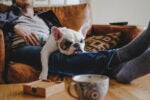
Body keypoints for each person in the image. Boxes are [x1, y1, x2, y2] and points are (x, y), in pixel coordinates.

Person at [1, 0, 150, 84]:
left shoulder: (45, 15)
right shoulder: (6, 13)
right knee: (55, 58)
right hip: (22, 47)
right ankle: (122, 55)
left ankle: (120, 71)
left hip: (47, 43)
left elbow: (60, 37)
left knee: (68, 55)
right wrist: (16, 26)